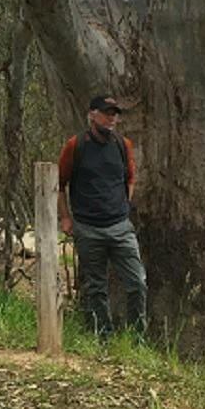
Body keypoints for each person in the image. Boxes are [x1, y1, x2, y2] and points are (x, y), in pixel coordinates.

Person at [55, 93, 146, 339]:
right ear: (92, 114)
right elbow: (58, 184)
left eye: (114, 114)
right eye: (107, 113)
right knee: (96, 288)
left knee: (137, 284)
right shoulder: (76, 146)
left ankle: (137, 339)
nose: (112, 118)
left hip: (120, 227)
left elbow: (129, 178)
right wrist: (65, 218)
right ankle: (102, 339)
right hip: (87, 228)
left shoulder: (122, 145)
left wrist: (122, 205)